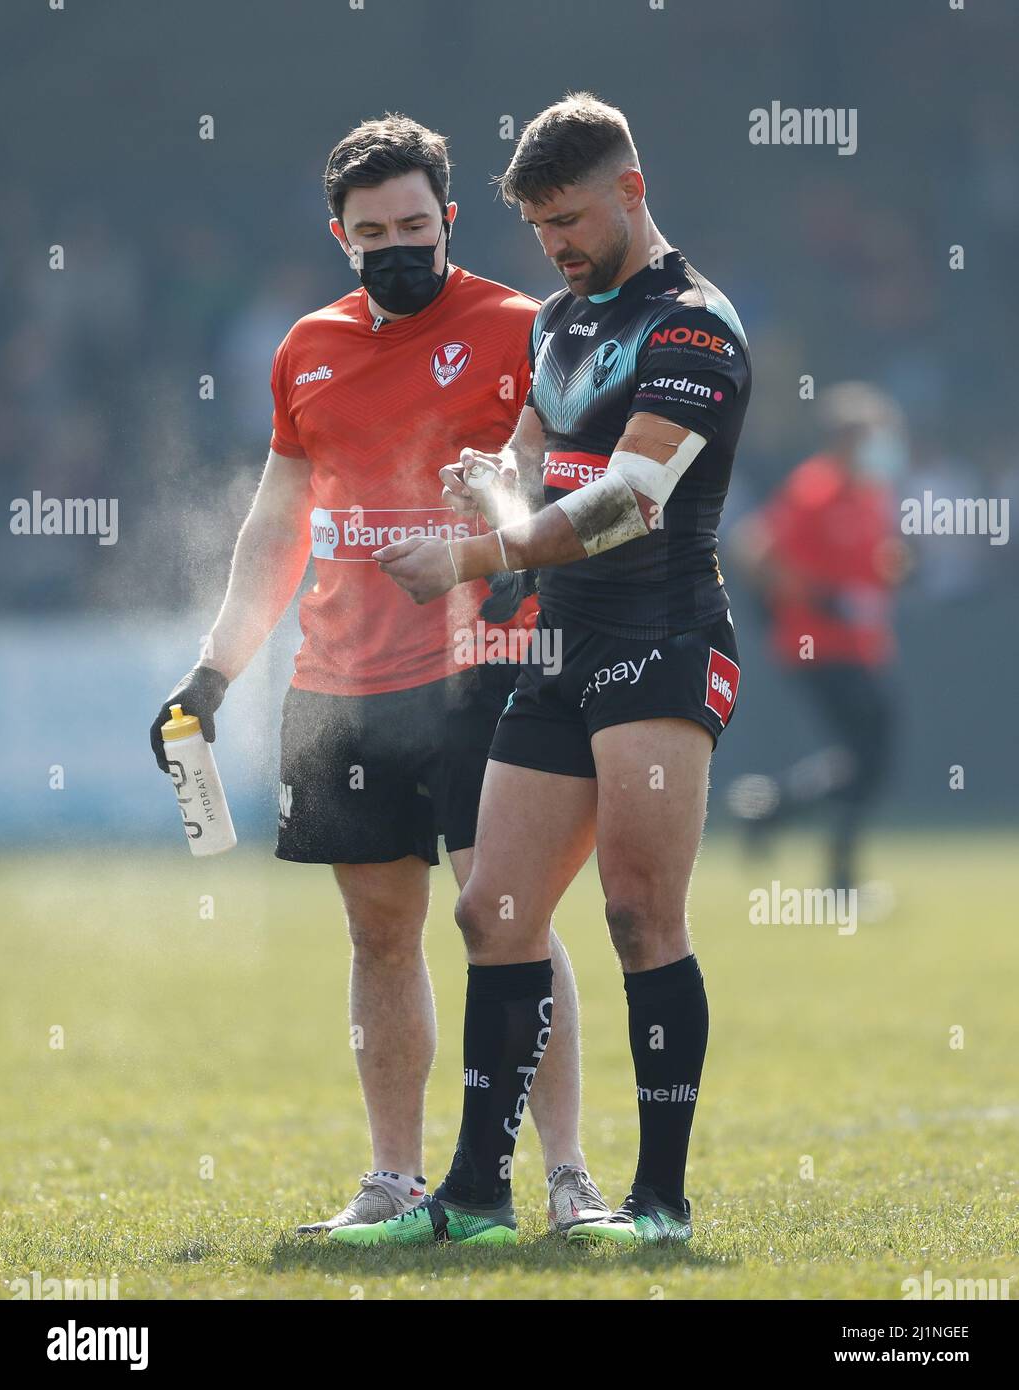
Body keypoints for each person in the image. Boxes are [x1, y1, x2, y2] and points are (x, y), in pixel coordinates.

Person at [149, 114, 608, 1237]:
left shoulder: (521, 324)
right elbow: (273, 522)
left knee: (503, 914)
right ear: (338, 235)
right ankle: (395, 1181)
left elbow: (548, 469)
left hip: (485, 666)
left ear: (449, 217)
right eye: (372, 233)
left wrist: (507, 542)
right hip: (340, 679)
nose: (396, 244)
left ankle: (567, 1178)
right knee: (377, 931)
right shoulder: (305, 346)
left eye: (416, 225)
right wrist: (214, 671)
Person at [327, 93, 752, 1248]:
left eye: (569, 218)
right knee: (491, 911)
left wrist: (477, 546)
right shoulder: (559, 319)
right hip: (557, 646)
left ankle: (657, 1206)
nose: (555, 246)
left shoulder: (695, 327)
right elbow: (535, 472)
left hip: (660, 644)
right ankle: (470, 1198)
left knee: (634, 914)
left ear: (632, 189)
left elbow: (625, 501)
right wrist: (490, 487)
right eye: (537, 229)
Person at [728, 382, 907, 890]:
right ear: (848, 438)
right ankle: (839, 876)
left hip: (864, 645)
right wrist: (815, 599)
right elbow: (755, 552)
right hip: (821, 647)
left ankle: (771, 810)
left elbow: (872, 563)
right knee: (865, 754)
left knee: (869, 756)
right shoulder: (814, 489)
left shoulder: (871, 493)